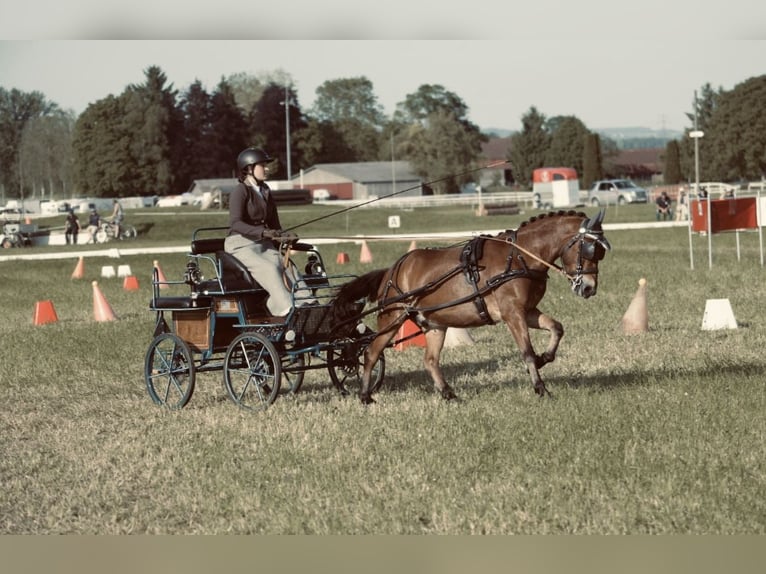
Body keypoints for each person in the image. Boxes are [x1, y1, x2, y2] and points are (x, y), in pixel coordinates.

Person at [225, 147, 312, 318]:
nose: (267, 169)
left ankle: (307, 304)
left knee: (288, 267)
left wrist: (284, 236)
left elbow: (274, 224)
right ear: (249, 169)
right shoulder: (240, 191)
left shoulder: (265, 191)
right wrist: (263, 232)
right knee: (270, 268)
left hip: (263, 244)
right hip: (240, 245)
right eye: (262, 166)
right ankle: (285, 308)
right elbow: (235, 223)